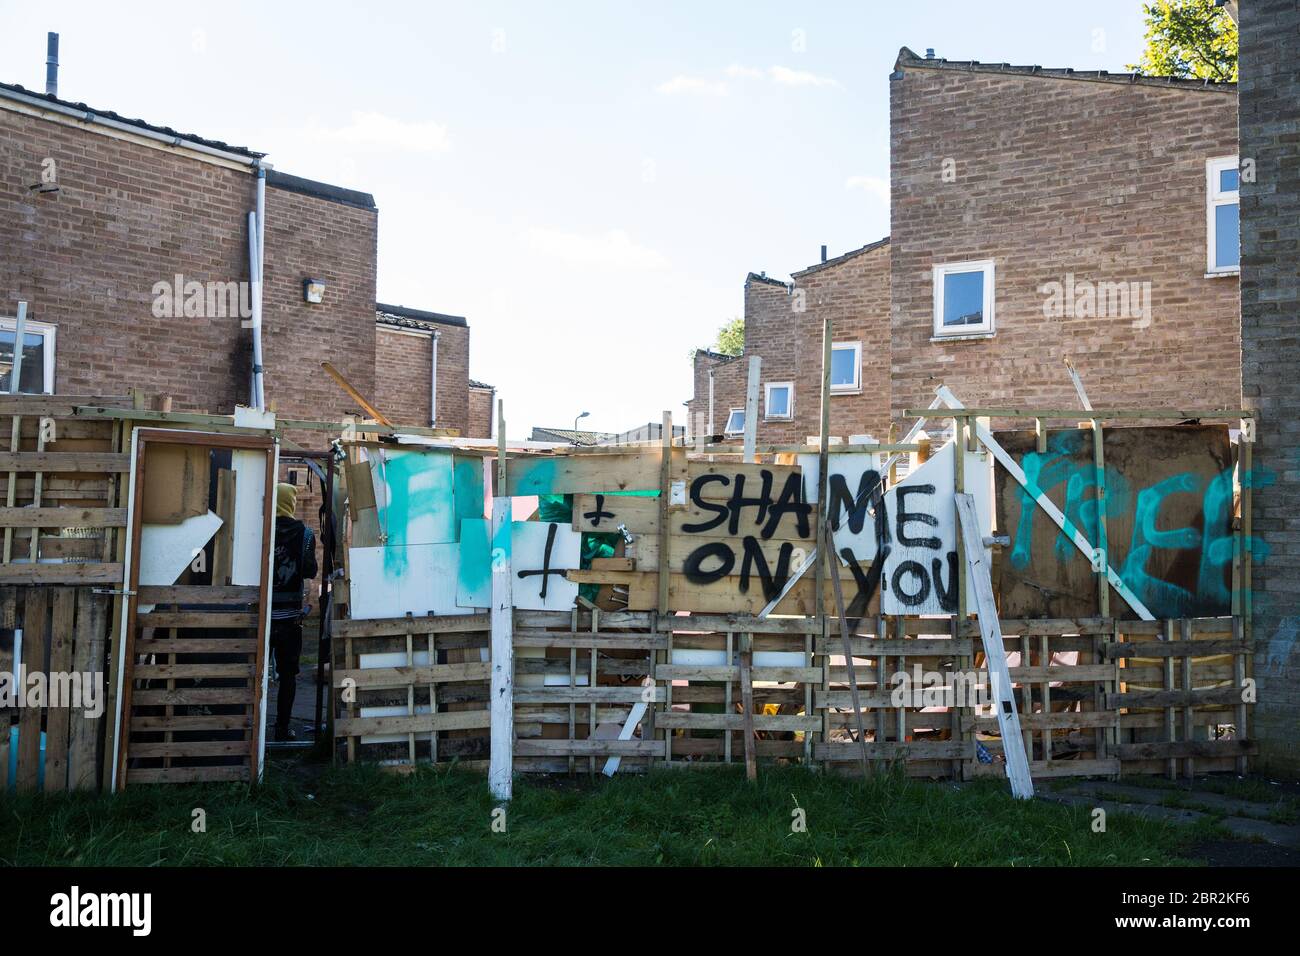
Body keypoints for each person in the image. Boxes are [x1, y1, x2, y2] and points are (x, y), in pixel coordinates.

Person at [270, 482, 317, 741]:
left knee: (256, 673)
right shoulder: (305, 534)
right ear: (292, 502)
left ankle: (251, 729)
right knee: (289, 676)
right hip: (291, 618)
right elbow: (310, 571)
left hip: (263, 614)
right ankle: (281, 729)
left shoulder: (261, 529)